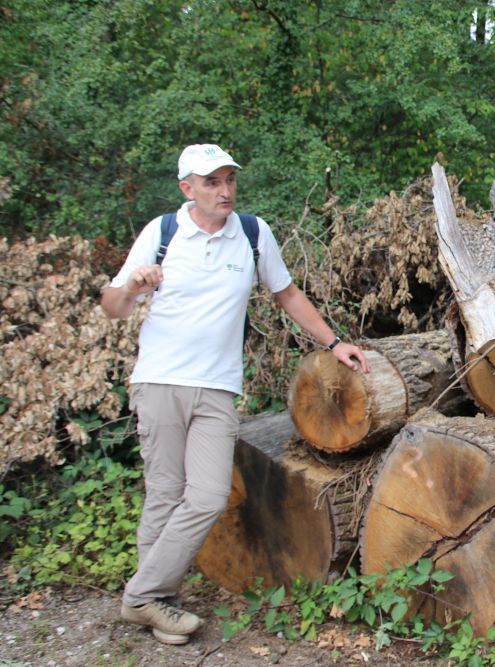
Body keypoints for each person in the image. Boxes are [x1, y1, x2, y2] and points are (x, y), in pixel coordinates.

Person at [101, 144, 369, 645]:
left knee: (204, 495)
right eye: (212, 182)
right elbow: (112, 306)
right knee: (164, 494)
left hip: (218, 387)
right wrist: (135, 285)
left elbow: (286, 293)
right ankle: (160, 601)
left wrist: (334, 343)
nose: (224, 191)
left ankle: (140, 596)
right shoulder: (162, 234)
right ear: (188, 189)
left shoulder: (252, 233)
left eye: (229, 180)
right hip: (159, 381)